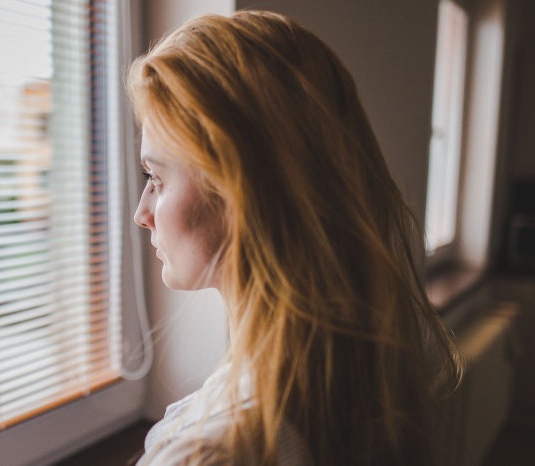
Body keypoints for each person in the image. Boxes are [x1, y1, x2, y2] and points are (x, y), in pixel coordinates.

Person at [128, 10, 461, 466]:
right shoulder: (353, 371)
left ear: (241, 189)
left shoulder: (212, 452)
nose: (141, 213)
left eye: (157, 178)